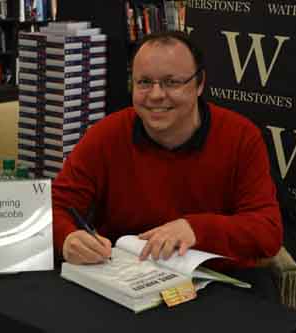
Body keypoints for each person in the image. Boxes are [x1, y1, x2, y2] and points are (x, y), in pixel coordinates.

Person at [52, 31, 283, 299]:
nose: (156, 95)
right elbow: (56, 206)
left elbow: (267, 230)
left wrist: (195, 229)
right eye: (144, 82)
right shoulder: (106, 134)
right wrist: (67, 238)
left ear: (199, 84)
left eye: (172, 82)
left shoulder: (241, 137)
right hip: (126, 282)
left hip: (220, 286)